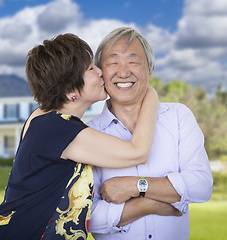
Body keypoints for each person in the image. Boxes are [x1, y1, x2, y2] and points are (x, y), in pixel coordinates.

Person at [0, 33, 159, 240]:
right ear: (71, 87)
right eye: (91, 68)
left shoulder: (42, 118)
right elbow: (138, 152)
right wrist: (150, 92)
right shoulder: (59, 129)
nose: (100, 72)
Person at [87, 27, 213, 240]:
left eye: (133, 61)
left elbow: (201, 185)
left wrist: (135, 186)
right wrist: (148, 204)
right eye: (112, 62)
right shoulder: (89, 134)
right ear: (100, 73)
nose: (123, 71)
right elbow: (88, 217)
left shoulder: (178, 117)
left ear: (150, 70)